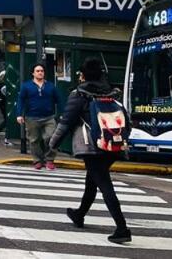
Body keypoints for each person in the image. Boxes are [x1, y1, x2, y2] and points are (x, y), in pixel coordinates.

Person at [48, 58, 132, 244]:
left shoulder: (79, 94)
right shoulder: (112, 93)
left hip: (92, 147)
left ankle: (122, 228)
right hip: (112, 146)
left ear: (84, 76)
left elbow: (65, 122)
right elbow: (127, 121)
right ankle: (79, 214)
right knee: (92, 181)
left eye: (80, 74)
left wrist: (52, 144)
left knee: (104, 184)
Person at [18, 63, 63, 170]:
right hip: (31, 117)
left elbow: (59, 100)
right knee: (34, 140)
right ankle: (37, 161)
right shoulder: (26, 86)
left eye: (42, 71)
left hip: (49, 117)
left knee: (50, 137)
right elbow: (21, 100)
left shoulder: (51, 86)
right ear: (33, 73)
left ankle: (49, 160)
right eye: (37, 71)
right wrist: (19, 114)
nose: (40, 73)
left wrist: (62, 114)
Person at [0, 70, 11, 146]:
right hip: (5, 105)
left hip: (2, 105)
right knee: (8, 120)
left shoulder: (0, 86)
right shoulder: (5, 87)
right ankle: (6, 138)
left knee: (7, 120)